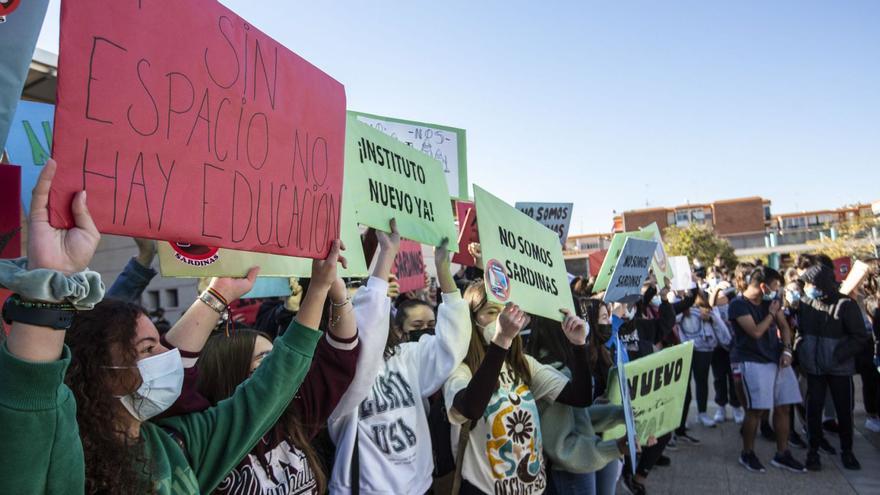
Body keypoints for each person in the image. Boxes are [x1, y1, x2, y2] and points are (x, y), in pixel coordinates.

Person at [0, 159, 344, 493]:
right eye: (148, 349)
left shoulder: (177, 446)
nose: (170, 352)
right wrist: (50, 285)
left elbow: (269, 389)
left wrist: (317, 290)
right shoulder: (58, 460)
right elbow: (32, 399)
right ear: (100, 371)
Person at [327, 231, 472, 495]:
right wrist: (386, 256)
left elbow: (452, 344)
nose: (362, 318)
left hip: (420, 486)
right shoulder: (337, 376)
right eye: (351, 311)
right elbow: (366, 336)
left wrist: (443, 269)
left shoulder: (405, 356)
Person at [443, 283, 590, 495]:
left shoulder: (523, 364)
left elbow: (580, 397)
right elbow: (470, 408)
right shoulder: (461, 370)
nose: (501, 319)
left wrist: (578, 346)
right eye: (491, 312)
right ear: (471, 319)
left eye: (506, 311)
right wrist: (501, 340)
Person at [527, 312, 625, 495]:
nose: (582, 324)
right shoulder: (553, 374)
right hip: (571, 470)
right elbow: (562, 446)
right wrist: (613, 448)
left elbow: (579, 418)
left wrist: (620, 414)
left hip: (582, 462)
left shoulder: (562, 365)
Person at [729, 266, 806, 473]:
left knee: (784, 407)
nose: (777, 292)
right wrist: (771, 314)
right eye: (774, 287)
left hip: (777, 360)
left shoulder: (772, 303)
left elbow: (785, 327)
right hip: (753, 362)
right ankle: (747, 453)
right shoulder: (738, 305)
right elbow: (755, 332)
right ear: (763, 286)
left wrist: (788, 350)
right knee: (756, 410)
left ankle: (782, 453)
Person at [797, 263, 869, 471]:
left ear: (823, 283)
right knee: (813, 410)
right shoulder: (805, 302)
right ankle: (813, 452)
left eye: (812, 283)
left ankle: (847, 451)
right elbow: (800, 331)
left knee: (844, 411)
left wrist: (838, 355)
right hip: (814, 368)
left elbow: (859, 336)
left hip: (839, 368)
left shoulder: (845, 304)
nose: (809, 287)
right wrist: (801, 350)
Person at [678, 291, 732, 428]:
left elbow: (722, 330)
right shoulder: (679, 307)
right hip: (683, 349)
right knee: (683, 385)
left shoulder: (709, 311)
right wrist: (681, 311)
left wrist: (710, 318)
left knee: (701, 381)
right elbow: (670, 319)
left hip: (704, 350)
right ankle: (681, 419)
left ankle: (702, 413)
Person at [708, 283, 744, 424]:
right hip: (717, 349)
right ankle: (721, 407)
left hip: (735, 348)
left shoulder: (735, 306)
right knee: (719, 378)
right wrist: (716, 288)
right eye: (718, 294)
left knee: (734, 378)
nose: (720, 296)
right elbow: (710, 304)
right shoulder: (713, 309)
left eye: (723, 293)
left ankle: (736, 407)